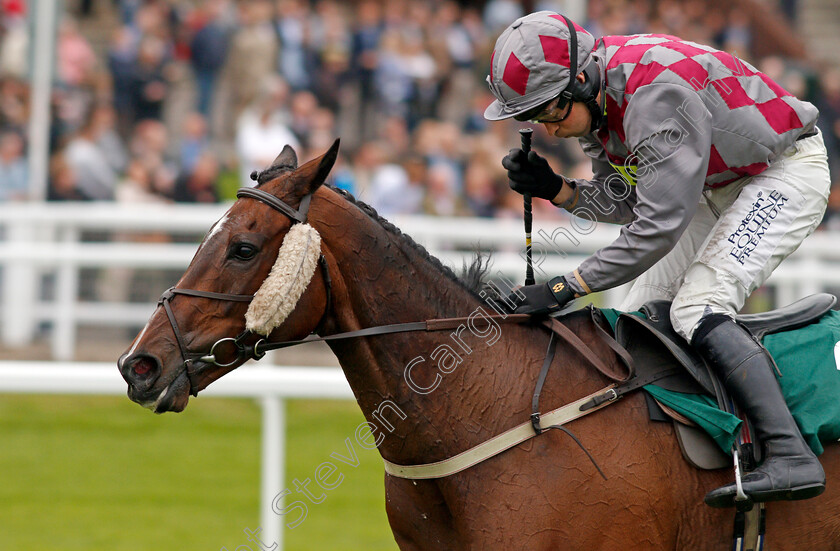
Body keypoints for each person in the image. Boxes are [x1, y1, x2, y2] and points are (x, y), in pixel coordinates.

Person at [484, 11, 831, 508]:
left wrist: (566, 287)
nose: (549, 130)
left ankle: (789, 453)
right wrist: (558, 189)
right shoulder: (599, 98)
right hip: (714, 185)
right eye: (535, 118)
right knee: (639, 316)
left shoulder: (652, 97)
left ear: (580, 79)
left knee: (698, 306)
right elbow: (633, 201)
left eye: (549, 112)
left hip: (782, 172)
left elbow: (656, 227)